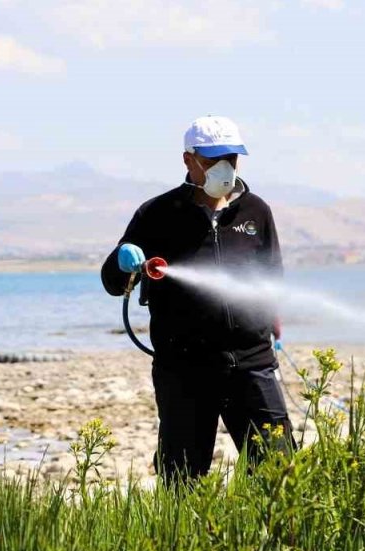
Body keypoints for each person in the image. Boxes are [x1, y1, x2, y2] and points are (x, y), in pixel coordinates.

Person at [100, 115, 295, 484]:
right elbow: (112, 282)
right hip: (184, 370)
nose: (224, 168)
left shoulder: (256, 212)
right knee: (182, 480)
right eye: (212, 159)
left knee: (279, 474)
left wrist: (272, 323)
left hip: (253, 364)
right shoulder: (156, 214)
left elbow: (273, 278)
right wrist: (122, 260)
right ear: (188, 160)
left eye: (231, 159)